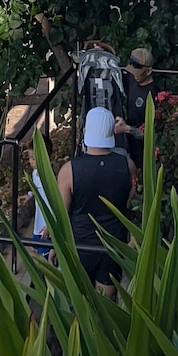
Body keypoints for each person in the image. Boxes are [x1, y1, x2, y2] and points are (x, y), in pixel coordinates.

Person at [53, 105, 138, 285]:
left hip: (80, 242)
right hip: (114, 240)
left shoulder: (69, 171)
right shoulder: (128, 165)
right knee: (108, 299)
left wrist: (55, 244)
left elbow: (62, 212)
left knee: (83, 299)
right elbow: (129, 199)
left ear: (85, 130)